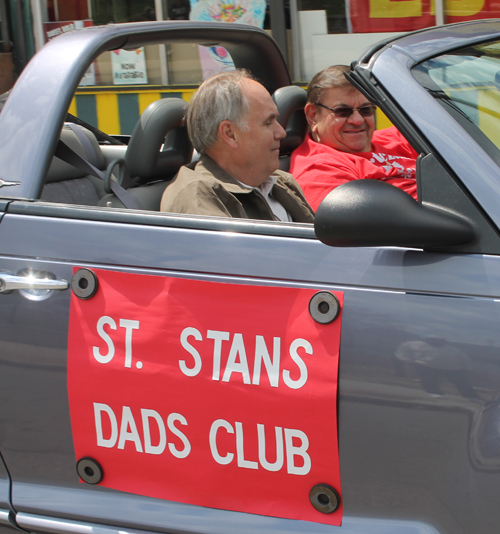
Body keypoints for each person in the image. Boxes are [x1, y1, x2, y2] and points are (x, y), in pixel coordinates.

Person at [160, 70, 315, 223]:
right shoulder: (196, 198)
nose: (281, 132)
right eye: (268, 122)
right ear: (230, 134)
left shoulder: (280, 181)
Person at [289, 65, 418, 211]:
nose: (357, 120)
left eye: (366, 109)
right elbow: (368, 229)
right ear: (313, 115)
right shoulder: (321, 171)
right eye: (342, 111)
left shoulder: (392, 139)